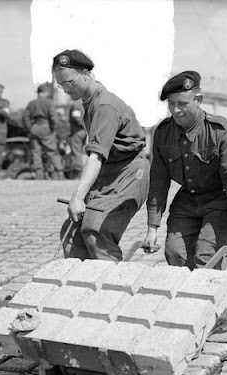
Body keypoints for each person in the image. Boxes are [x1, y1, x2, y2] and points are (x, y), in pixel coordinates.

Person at [143, 71, 227, 269]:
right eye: (171, 104)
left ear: (198, 100)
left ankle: (209, 296)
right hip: (186, 201)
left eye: (183, 104)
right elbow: (158, 182)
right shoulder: (162, 133)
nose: (176, 110)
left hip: (219, 200)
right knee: (175, 254)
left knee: (207, 257)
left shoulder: (219, 131)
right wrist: (152, 228)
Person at [53, 49, 150, 261]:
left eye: (68, 82)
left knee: (95, 230)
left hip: (129, 174)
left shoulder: (105, 105)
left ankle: (111, 287)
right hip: (110, 174)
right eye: (61, 85)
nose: (65, 89)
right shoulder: (90, 102)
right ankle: (81, 287)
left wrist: (78, 197)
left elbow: (95, 156)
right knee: (72, 232)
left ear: (85, 74)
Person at [22, 82, 64, 179]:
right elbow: (53, 118)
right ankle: (60, 173)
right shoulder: (49, 103)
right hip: (46, 129)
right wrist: (53, 129)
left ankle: (38, 174)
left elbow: (25, 117)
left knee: (35, 152)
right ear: (45, 92)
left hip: (35, 128)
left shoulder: (31, 103)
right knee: (52, 151)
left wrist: (29, 128)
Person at [67, 100, 86, 179]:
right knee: (81, 152)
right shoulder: (86, 102)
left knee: (76, 151)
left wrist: (82, 125)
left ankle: (77, 172)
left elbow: (76, 116)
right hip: (84, 131)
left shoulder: (76, 104)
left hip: (77, 131)